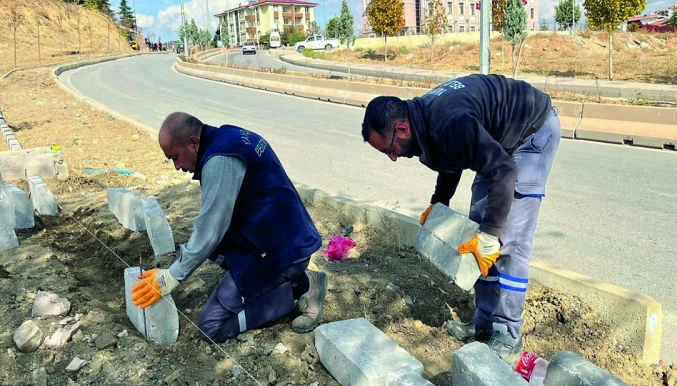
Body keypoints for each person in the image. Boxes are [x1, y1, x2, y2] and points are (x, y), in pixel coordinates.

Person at [361, 75, 561, 362]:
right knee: (478, 228)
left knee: (507, 240)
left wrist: (491, 235)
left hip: (532, 131)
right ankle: (484, 324)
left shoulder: (448, 122)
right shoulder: (427, 121)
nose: (392, 157)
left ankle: (507, 333)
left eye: (388, 149)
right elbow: (451, 157)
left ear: (402, 128)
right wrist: (438, 203)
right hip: (497, 143)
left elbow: (503, 171)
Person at [131, 112, 327, 342]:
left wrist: (172, 276)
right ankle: (300, 281)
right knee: (216, 251)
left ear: (193, 143)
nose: (176, 166)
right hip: (285, 237)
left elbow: (211, 227)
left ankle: (296, 292)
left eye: (175, 157)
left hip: (281, 250)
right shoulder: (228, 136)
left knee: (210, 327)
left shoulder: (221, 160)